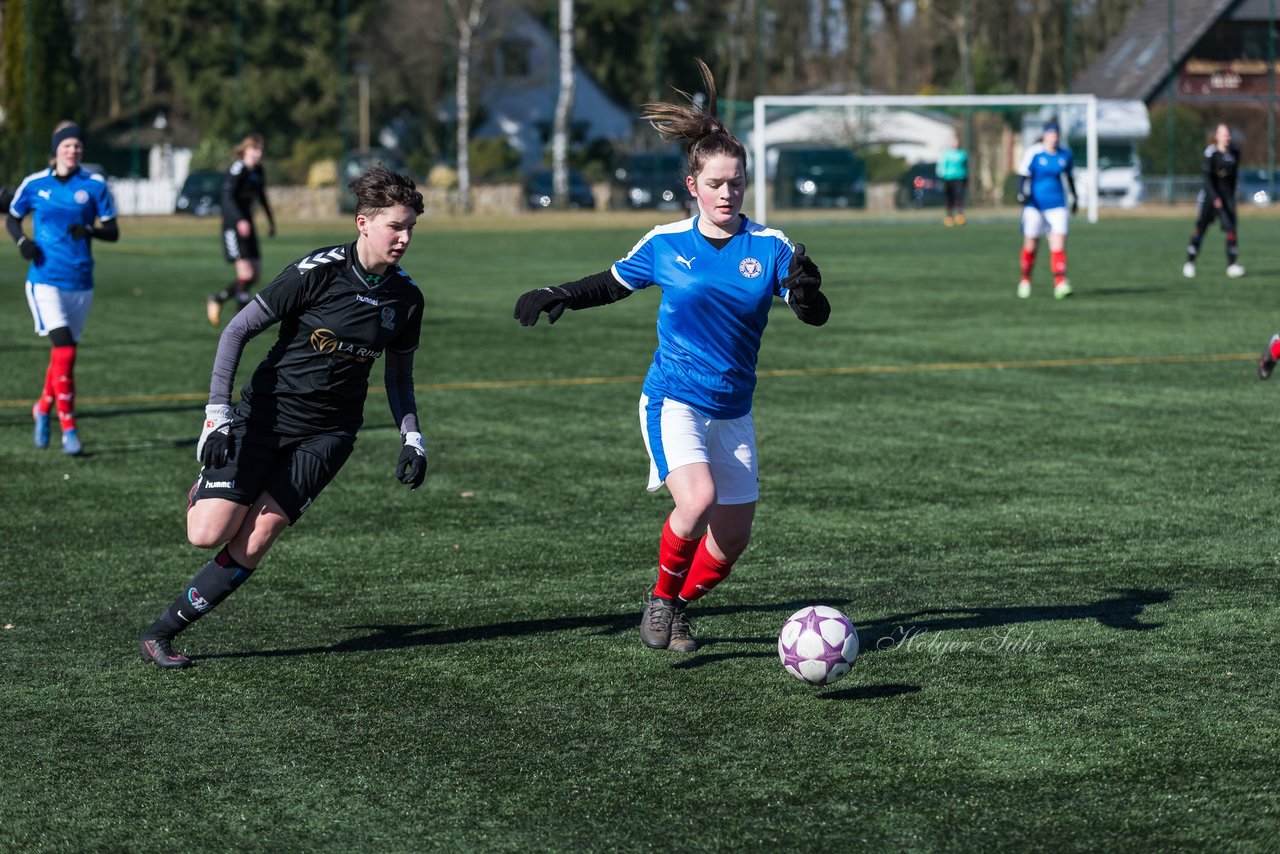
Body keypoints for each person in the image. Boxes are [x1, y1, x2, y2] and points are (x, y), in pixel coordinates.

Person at [512, 60, 830, 654]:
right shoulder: (666, 243)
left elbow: (812, 311)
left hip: (733, 409)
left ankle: (680, 604)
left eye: (736, 182)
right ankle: (661, 600)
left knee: (732, 539)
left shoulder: (772, 246)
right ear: (693, 187)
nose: (727, 193)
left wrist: (810, 294)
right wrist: (559, 294)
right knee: (698, 500)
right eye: (715, 184)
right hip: (674, 398)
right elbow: (610, 283)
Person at [139, 165, 428, 669]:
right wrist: (217, 417)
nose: (403, 238)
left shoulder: (405, 300)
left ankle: (161, 632)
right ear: (363, 223)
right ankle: (208, 489)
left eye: (410, 228)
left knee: (258, 536)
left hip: (330, 434)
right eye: (394, 227)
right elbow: (236, 331)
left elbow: (398, 379)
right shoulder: (315, 272)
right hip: (266, 416)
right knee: (206, 533)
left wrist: (413, 437)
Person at [7, 121, 120, 455]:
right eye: (66, 145)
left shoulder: (94, 185)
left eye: (77, 146)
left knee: (63, 354)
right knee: (66, 349)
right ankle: (68, 427)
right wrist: (22, 242)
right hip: (44, 280)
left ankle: (42, 407)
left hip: (81, 282)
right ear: (55, 150)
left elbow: (112, 231)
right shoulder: (35, 183)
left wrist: (90, 231)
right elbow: (12, 217)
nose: (73, 150)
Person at [206, 133, 276, 326]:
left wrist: (271, 222)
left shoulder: (259, 171)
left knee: (255, 274)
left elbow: (261, 197)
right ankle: (241, 320)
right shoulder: (238, 169)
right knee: (245, 274)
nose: (258, 153)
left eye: (261, 149)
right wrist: (239, 220)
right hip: (233, 226)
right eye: (255, 149)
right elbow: (227, 197)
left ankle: (218, 299)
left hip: (248, 224)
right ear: (245, 150)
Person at [1015, 120, 1077, 300]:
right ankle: (1025, 279)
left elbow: (1069, 177)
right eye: (1051, 134)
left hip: (1057, 205)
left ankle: (1060, 283)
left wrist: (1075, 198)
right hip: (1035, 206)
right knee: (1031, 245)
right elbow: (1023, 175)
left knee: (1058, 243)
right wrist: (1021, 193)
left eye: (1056, 134)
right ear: (1045, 135)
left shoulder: (1065, 154)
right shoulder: (1034, 152)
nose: (1054, 137)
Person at [1183, 123, 1243, 279]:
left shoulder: (1235, 152)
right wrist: (1215, 198)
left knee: (1231, 229)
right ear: (1216, 136)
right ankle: (1190, 262)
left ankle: (1232, 265)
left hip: (1228, 197)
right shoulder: (1211, 153)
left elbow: (1234, 177)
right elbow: (1207, 179)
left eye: (1228, 133)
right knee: (1200, 229)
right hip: (1210, 197)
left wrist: (1233, 197)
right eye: (1223, 134)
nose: (1227, 137)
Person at [936, 134, 969, 227]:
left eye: (956, 141)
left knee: (959, 196)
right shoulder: (946, 153)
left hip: (960, 178)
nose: (954, 143)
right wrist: (941, 176)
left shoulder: (962, 153)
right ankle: (949, 216)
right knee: (949, 198)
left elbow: (966, 166)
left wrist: (966, 176)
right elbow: (941, 166)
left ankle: (960, 216)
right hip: (947, 178)